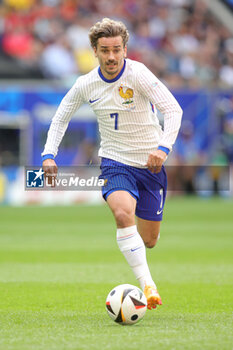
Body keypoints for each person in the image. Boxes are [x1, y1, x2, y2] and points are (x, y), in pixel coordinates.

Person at [42, 18, 183, 310]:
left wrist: (163, 147)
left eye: (117, 49)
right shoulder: (85, 84)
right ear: (94, 50)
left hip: (151, 165)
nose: (111, 57)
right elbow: (61, 117)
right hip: (114, 162)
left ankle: (143, 272)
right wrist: (48, 154)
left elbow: (173, 109)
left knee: (150, 240)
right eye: (105, 50)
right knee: (122, 214)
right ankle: (148, 285)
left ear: (125, 49)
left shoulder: (139, 74)